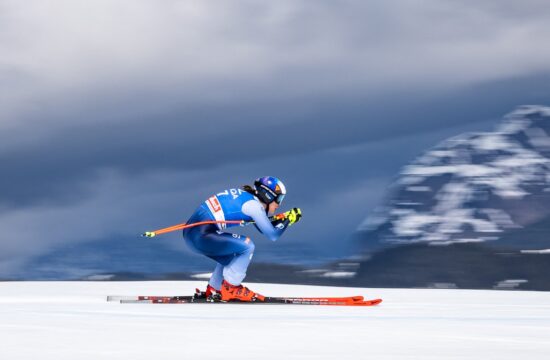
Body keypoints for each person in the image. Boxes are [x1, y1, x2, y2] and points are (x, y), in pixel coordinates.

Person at [183, 176, 302, 302]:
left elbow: (263, 227)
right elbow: (272, 235)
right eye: (279, 199)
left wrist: (285, 220)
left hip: (193, 233)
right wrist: (289, 220)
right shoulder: (254, 206)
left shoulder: (249, 199)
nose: (279, 204)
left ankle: (215, 288)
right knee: (247, 246)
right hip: (201, 235)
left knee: (233, 252)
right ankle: (231, 288)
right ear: (268, 195)